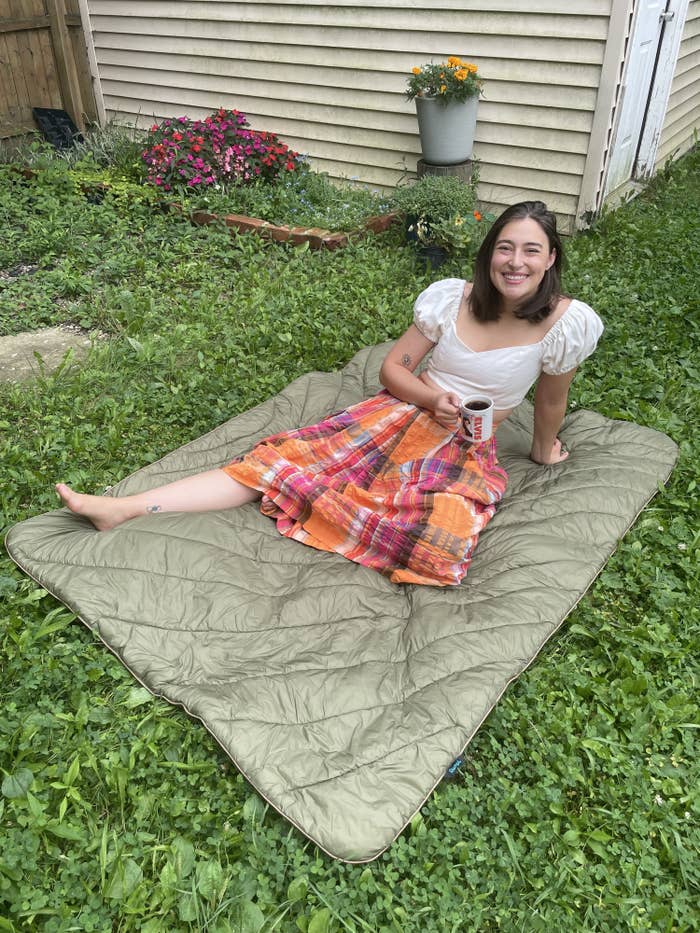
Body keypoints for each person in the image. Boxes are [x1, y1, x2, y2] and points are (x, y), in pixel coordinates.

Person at [56, 201, 603, 587]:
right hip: (403, 410)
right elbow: (394, 369)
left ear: (551, 259)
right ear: (488, 255)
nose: (516, 262)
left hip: (463, 447)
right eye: (504, 248)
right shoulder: (452, 299)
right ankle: (124, 509)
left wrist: (542, 449)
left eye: (531, 250)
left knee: (441, 549)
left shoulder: (565, 324)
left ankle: (331, 507)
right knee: (272, 461)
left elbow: (551, 401)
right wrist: (429, 399)